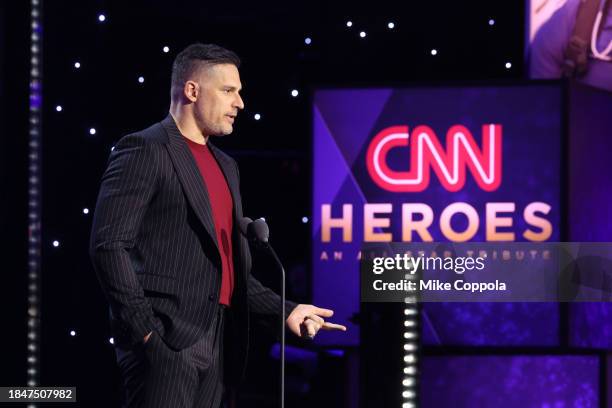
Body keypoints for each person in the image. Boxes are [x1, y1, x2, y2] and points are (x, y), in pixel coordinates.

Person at [89, 43, 346, 408]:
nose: (240, 103)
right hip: (165, 341)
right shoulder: (145, 149)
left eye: (239, 92)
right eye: (228, 91)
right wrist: (145, 331)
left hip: (221, 346)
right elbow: (108, 246)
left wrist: (285, 310)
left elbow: (231, 274)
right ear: (192, 91)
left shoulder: (227, 166)